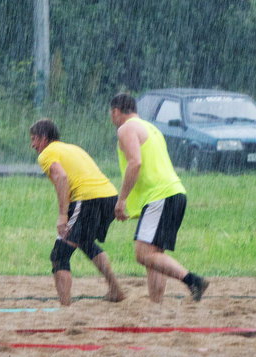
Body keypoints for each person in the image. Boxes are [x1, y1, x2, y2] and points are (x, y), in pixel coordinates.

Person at [109, 92, 208, 303]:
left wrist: (122, 199)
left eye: (111, 113)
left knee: (143, 253)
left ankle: (192, 280)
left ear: (116, 111)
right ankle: (156, 303)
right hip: (175, 193)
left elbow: (135, 162)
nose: (111, 118)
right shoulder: (151, 128)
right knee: (155, 254)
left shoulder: (125, 129)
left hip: (159, 196)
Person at [29, 118, 126, 305]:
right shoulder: (73, 148)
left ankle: (65, 307)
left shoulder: (46, 154)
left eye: (34, 139)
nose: (33, 145)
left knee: (59, 255)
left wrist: (62, 214)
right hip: (109, 197)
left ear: (44, 138)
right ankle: (116, 290)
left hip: (87, 200)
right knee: (86, 243)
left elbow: (61, 177)